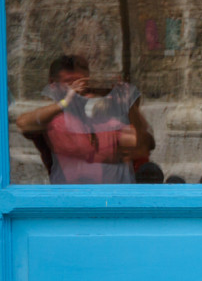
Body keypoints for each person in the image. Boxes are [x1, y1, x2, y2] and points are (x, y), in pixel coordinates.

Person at [15, 54, 155, 184]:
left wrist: (127, 105)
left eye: (81, 82)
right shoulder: (53, 120)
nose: (78, 89)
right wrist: (65, 102)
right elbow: (23, 123)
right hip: (73, 196)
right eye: (69, 83)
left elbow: (143, 145)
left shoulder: (99, 117)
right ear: (53, 84)